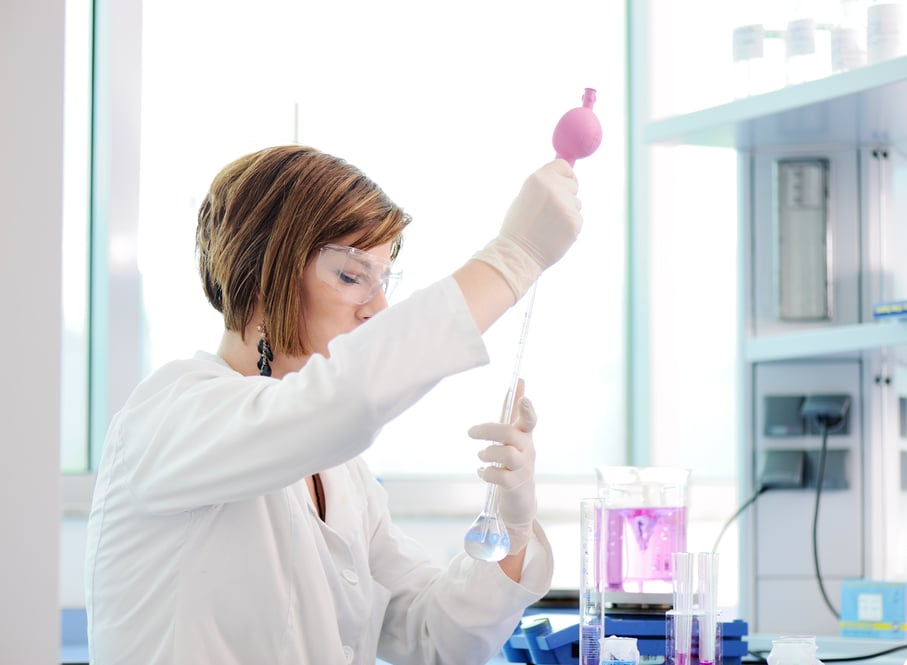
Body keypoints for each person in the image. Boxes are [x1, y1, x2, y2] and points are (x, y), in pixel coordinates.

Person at [84, 144, 584, 665]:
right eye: (351, 276)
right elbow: (351, 394)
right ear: (263, 272)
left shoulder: (342, 474)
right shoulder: (170, 418)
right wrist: (514, 256)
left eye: (384, 280)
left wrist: (511, 527)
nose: (379, 308)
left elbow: (434, 638)